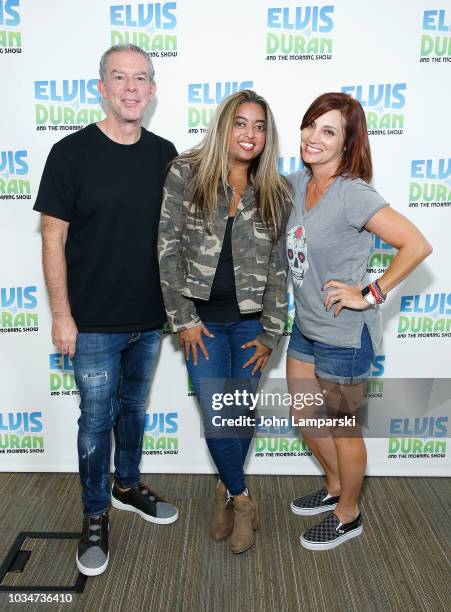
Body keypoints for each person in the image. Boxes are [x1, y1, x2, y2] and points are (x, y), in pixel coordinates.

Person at [34, 43, 179, 576]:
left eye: (141, 78)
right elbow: (52, 242)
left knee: (134, 411)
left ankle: (127, 485)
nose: (132, 87)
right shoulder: (70, 154)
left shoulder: (166, 154)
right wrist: (62, 316)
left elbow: (180, 236)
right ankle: (95, 514)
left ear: (153, 89)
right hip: (91, 323)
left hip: (148, 319)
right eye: (120, 77)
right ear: (102, 86)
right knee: (95, 422)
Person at [286, 92, 432, 550]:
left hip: (345, 337)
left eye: (328, 131)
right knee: (305, 416)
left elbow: (417, 245)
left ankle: (349, 514)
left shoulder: (354, 194)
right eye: (311, 125)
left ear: (348, 145)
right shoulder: (294, 183)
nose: (313, 137)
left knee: (344, 432)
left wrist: (368, 294)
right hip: (306, 327)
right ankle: (334, 487)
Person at [158, 90, 291, 553]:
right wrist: (184, 320)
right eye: (241, 123)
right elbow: (167, 249)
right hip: (202, 324)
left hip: (252, 325)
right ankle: (243, 498)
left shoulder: (276, 189)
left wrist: (272, 332)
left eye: (259, 126)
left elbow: (279, 269)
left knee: (239, 413)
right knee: (218, 414)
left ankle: (223, 492)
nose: (250, 134)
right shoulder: (186, 173)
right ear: (223, 126)